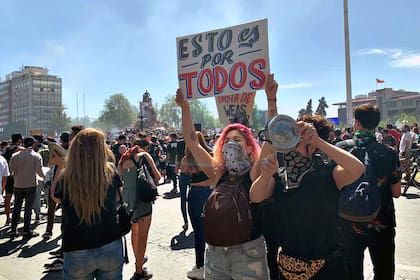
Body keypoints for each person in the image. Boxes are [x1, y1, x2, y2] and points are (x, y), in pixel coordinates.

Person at [175, 73, 278, 280]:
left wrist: (271, 100)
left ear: (249, 147)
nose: (231, 143)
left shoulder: (255, 170)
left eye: (237, 139)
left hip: (248, 252)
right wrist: (185, 108)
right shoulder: (217, 173)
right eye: (227, 140)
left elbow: (271, 136)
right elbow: (192, 140)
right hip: (215, 254)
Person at [250, 114, 365, 279]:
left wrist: (318, 141)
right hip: (290, 269)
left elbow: (357, 168)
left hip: (328, 267)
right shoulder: (281, 175)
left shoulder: (328, 173)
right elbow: (255, 196)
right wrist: (266, 175)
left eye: (300, 137)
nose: (293, 143)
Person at [337, 104, 401, 280]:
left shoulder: (341, 149)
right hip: (381, 220)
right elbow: (396, 192)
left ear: (356, 123)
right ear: (376, 124)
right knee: (384, 271)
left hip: (347, 220)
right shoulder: (388, 153)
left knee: (351, 272)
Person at [54, 128, 125, 279]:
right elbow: (119, 198)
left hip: (76, 247)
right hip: (109, 242)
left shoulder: (67, 175)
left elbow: (56, 198)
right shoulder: (110, 170)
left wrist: (61, 166)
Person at [118, 139, 161, 280]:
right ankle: (139, 270)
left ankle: (139, 259)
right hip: (142, 200)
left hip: (127, 200)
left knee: (134, 233)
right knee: (143, 236)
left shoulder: (122, 160)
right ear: (143, 148)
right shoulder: (145, 156)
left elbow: (120, 181)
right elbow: (158, 176)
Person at [183, 131, 213, 280]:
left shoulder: (187, 159)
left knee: (199, 232)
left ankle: (200, 265)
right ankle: (213, 263)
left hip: (196, 193)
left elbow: (183, 172)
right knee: (213, 229)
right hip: (211, 192)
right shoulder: (211, 154)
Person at [9, 136, 45, 238]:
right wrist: (45, 178)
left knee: (17, 207)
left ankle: (13, 229)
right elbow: (39, 171)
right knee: (28, 208)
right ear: (33, 144)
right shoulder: (36, 156)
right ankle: (26, 230)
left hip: (18, 184)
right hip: (31, 184)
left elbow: (10, 170)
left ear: (23, 144)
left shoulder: (15, 156)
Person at [42, 142, 67, 239]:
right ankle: (49, 230)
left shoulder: (62, 166)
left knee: (63, 212)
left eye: (52, 154)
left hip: (60, 188)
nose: (50, 156)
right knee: (51, 209)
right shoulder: (57, 165)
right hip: (55, 186)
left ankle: (62, 234)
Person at [2, 133, 24, 225]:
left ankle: (8, 218)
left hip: (7, 175)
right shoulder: (20, 149)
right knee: (19, 197)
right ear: (19, 140)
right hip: (17, 175)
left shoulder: (5, 149)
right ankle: (17, 216)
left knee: (8, 196)